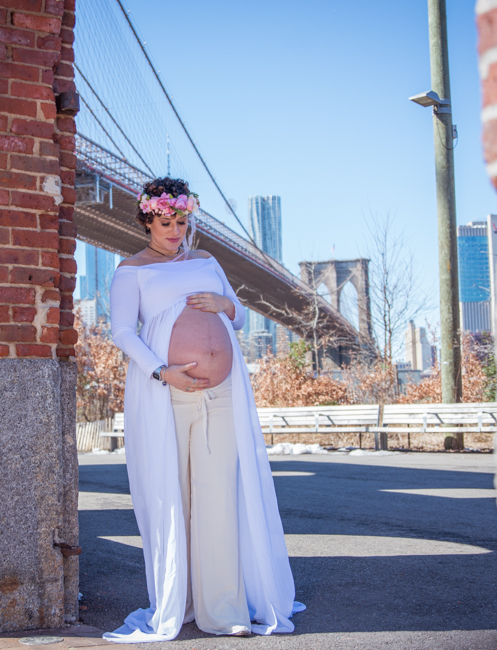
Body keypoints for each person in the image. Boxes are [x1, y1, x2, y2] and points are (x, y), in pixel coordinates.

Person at [104, 177, 304, 643]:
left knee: (219, 499)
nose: (175, 231)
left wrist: (224, 304)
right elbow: (121, 332)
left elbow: (236, 312)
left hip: (223, 393)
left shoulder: (207, 260)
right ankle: (185, 601)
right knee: (178, 498)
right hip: (167, 394)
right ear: (147, 220)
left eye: (182, 221)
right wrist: (161, 371)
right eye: (166, 222)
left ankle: (224, 611)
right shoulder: (130, 270)